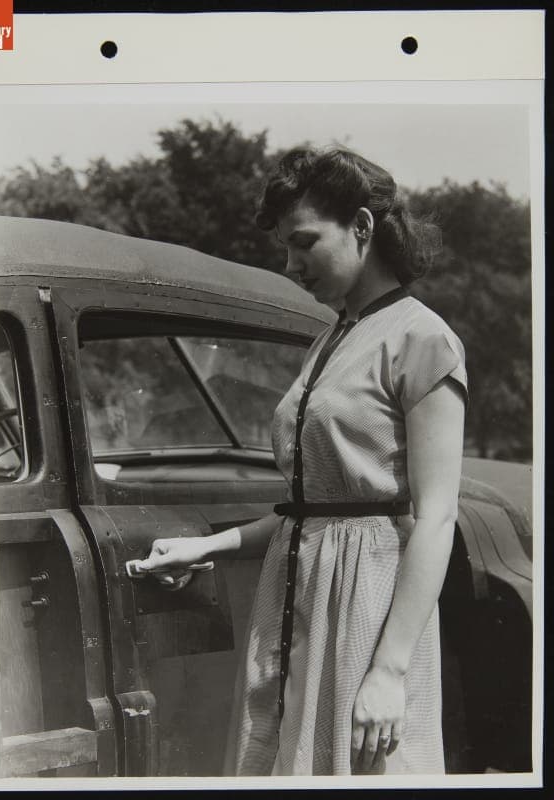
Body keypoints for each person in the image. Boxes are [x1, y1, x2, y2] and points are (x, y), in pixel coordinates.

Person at [132, 147, 467, 776]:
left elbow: (437, 515)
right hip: (294, 598)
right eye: (284, 248)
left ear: (363, 227)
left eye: (304, 242)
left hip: (367, 607)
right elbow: (311, 509)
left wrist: (390, 670)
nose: (291, 265)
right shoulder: (329, 338)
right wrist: (208, 546)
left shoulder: (424, 339)